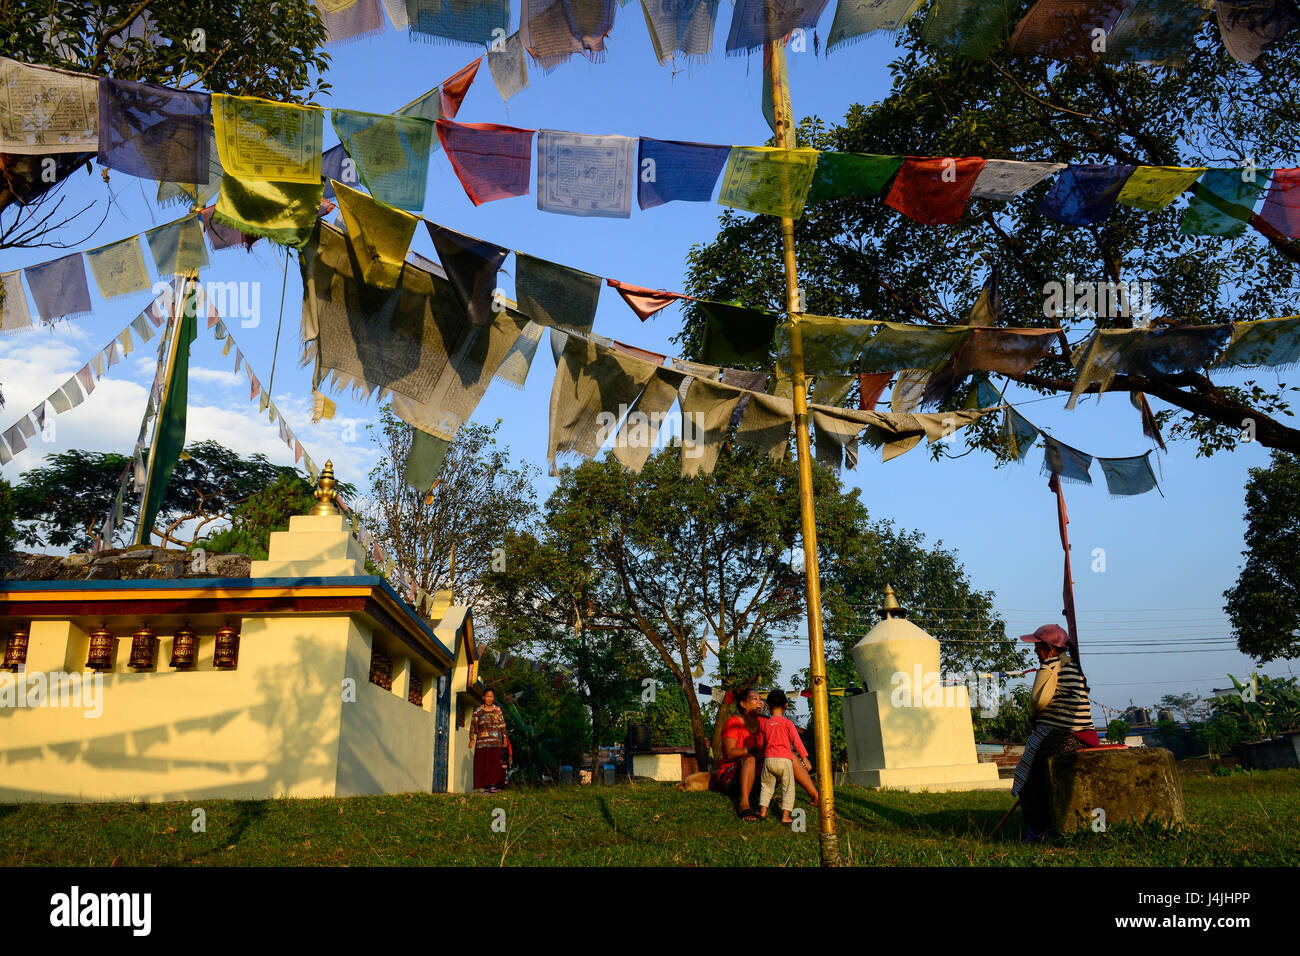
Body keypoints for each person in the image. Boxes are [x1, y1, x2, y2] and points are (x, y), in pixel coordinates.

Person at [1012, 624, 1099, 841]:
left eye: (1039, 646)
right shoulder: (1072, 666)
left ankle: (1038, 830)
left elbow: (1037, 701)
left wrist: (1033, 717)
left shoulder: (1051, 665)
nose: (1036, 651)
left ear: (1050, 648)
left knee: (1028, 774)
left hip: (1064, 734)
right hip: (1083, 734)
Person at [758, 689, 816, 824]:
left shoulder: (765, 724)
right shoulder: (788, 723)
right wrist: (805, 758)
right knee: (788, 788)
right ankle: (785, 816)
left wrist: (761, 755)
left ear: (767, 706)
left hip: (769, 760)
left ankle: (763, 811)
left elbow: (762, 743)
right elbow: (797, 742)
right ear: (786, 705)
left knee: (766, 786)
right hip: (784, 760)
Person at [713, 687, 767, 820]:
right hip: (732, 779)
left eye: (761, 699)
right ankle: (744, 804)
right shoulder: (733, 723)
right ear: (743, 704)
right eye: (755, 699)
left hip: (758, 777)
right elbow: (730, 754)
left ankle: (817, 797)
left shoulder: (766, 723)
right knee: (750, 759)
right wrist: (749, 750)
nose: (760, 702)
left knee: (788, 757)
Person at [468, 687, 510, 793]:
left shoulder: (498, 710)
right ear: (483, 697)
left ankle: (494, 785)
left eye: (491, 696)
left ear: (494, 698)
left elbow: (502, 724)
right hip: (482, 743)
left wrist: (504, 737)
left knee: (495, 764)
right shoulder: (478, 711)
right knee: (483, 765)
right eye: (487, 696)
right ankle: (486, 787)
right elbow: (473, 725)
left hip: (495, 742)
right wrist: (472, 739)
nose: (489, 699)